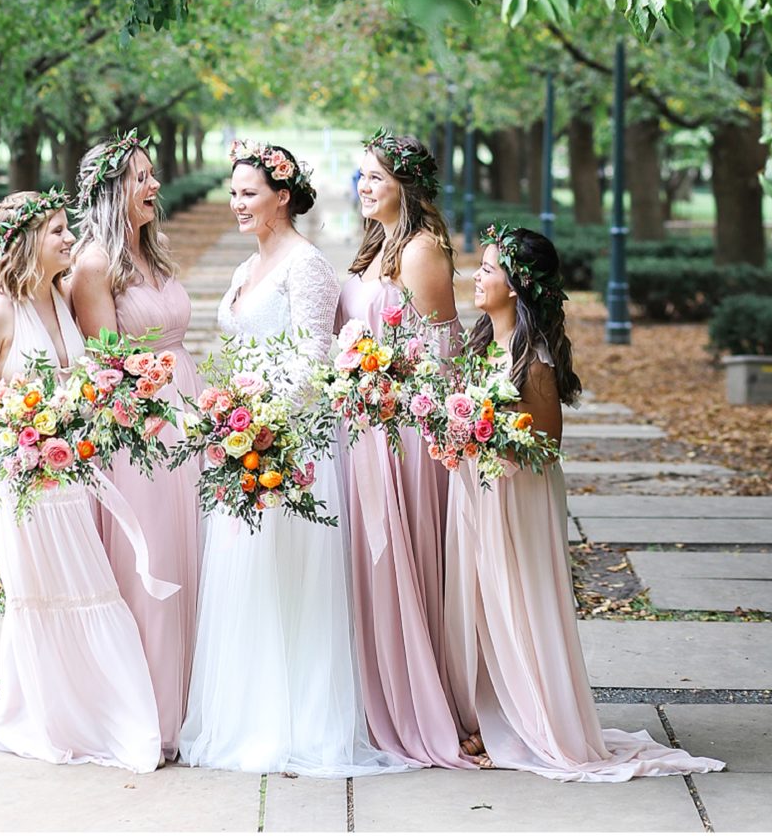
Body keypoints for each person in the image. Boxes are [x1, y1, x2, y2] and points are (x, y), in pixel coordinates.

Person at [443, 224, 726, 781]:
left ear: (518, 285)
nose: (476, 276)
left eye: (488, 269)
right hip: (479, 490)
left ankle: (534, 721)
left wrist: (484, 431)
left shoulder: (535, 360)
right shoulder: (482, 343)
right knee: (482, 603)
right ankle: (496, 712)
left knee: (520, 602)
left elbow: (546, 444)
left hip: (518, 498)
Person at [179, 141, 410, 777]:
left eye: (249, 193)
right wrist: (226, 413)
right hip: (245, 443)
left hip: (291, 447)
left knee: (286, 582)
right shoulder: (243, 268)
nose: (237, 204)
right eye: (233, 193)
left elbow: (312, 363)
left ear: (283, 197)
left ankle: (296, 726)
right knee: (245, 579)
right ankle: (245, 717)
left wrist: (260, 420)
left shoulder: (306, 266)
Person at [0, 189, 163, 772]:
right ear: (25, 243)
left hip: (63, 464)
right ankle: (42, 717)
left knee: (87, 582)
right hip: (14, 468)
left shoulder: (60, 295)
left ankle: (101, 714)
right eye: (57, 231)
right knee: (36, 590)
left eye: (67, 229)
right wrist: (23, 417)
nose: (70, 238)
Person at [338, 131, 475, 768]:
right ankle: (379, 694)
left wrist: (380, 387)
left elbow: (440, 355)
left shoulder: (421, 251)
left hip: (407, 436)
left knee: (408, 564)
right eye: (361, 176)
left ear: (406, 185)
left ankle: (424, 702)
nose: (364, 186)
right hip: (366, 426)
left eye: (376, 177)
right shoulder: (374, 249)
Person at [68, 131, 201, 763]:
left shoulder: (152, 253)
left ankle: (193, 702)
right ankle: (150, 712)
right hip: (139, 435)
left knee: (194, 555)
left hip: (186, 415)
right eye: (141, 178)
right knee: (154, 568)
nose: (154, 186)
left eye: (152, 175)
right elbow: (102, 368)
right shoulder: (94, 266)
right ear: (111, 192)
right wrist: (149, 414)